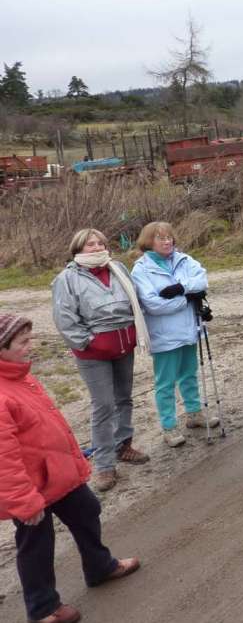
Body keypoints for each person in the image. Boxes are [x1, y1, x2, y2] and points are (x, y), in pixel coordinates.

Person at [1, 315, 141, 623]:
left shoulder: (21, 377)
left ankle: (100, 567)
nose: (30, 346)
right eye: (23, 342)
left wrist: (74, 462)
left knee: (87, 510)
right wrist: (24, 501)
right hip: (31, 488)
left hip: (57, 474)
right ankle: (42, 609)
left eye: (29, 339)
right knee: (36, 544)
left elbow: (51, 425)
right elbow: (3, 460)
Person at [51, 228, 150, 492]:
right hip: (93, 354)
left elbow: (135, 301)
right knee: (104, 406)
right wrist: (89, 342)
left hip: (123, 347)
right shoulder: (67, 279)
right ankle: (105, 465)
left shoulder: (118, 268)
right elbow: (65, 319)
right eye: (90, 244)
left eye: (100, 243)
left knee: (124, 398)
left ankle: (123, 446)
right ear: (78, 249)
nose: (97, 248)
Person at [130, 221, 218, 448]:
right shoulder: (141, 269)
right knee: (165, 383)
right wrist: (186, 298)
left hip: (189, 329)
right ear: (149, 241)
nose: (167, 241)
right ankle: (169, 426)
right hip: (164, 335)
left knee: (189, 374)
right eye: (161, 238)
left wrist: (180, 288)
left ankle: (194, 413)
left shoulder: (184, 259)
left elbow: (202, 281)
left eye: (169, 237)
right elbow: (153, 304)